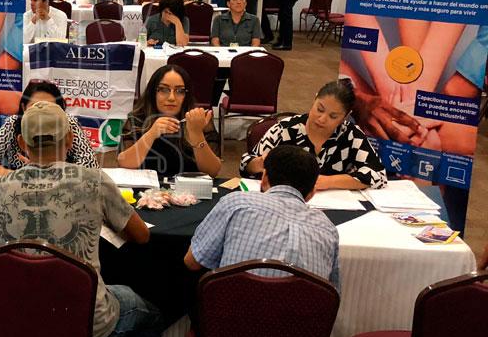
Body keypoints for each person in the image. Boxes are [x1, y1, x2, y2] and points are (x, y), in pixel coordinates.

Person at [0, 101, 163, 337]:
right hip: (87, 321)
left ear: (22, 143)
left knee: (45, 295)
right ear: (69, 139)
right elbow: (141, 236)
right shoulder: (94, 181)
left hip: (22, 319)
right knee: (152, 317)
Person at [184, 145, 340, 290]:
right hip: (301, 311)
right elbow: (332, 291)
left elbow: (192, 262)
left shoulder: (236, 203)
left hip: (231, 308)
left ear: (264, 178)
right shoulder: (328, 229)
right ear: (312, 193)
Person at [241, 79, 387, 190]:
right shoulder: (286, 129)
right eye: (319, 109)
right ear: (315, 98)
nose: (322, 119)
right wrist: (259, 163)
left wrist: (328, 182)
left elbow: (378, 176)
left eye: (333, 116)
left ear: (345, 116)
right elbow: (245, 165)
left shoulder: (351, 135)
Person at [118, 64, 221, 178]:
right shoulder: (138, 118)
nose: (171, 97)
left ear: (186, 95)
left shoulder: (196, 120)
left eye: (179, 91)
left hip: (189, 187)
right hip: (147, 187)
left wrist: (197, 134)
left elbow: (212, 171)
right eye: (163, 90)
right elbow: (124, 164)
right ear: (153, 92)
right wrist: (151, 134)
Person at [0, 80, 98, 176]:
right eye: (35, 106)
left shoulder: (69, 124)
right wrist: (18, 176)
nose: (42, 113)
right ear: (24, 108)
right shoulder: (13, 123)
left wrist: (46, 173)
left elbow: (91, 166)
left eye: (49, 107)